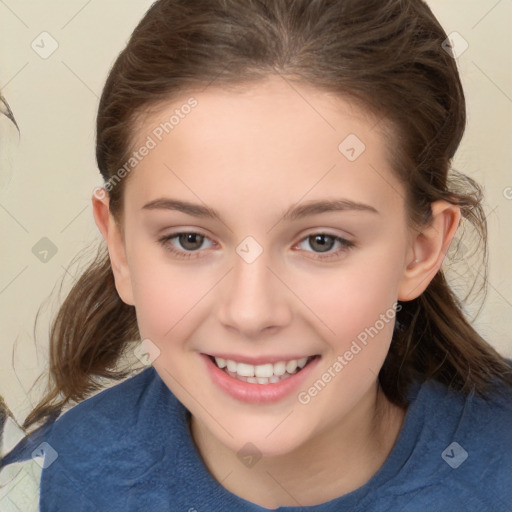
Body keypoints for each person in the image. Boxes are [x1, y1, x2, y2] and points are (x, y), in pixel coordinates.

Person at [3, 0, 512, 510]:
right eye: (190, 240)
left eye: (322, 241)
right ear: (121, 248)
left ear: (419, 251)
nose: (250, 313)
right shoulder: (42, 491)